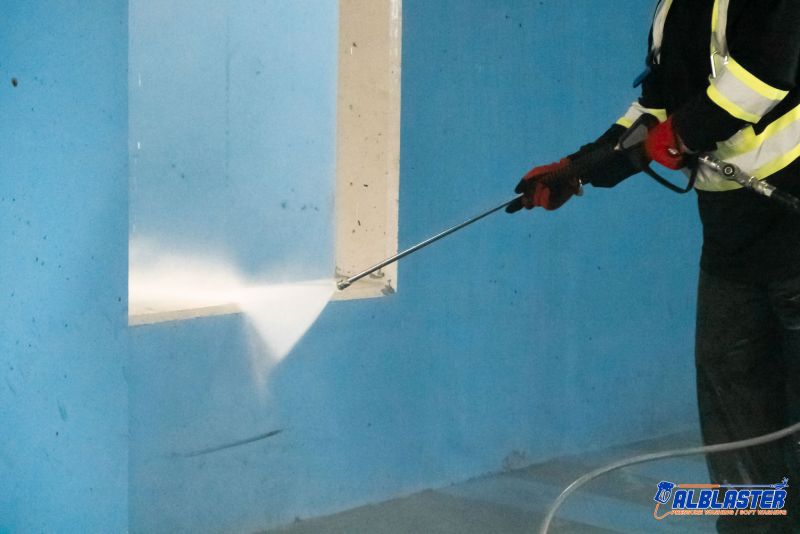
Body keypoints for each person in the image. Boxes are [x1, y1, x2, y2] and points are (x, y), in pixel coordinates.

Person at [510, 1, 800, 532]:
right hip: (732, 245)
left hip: (792, 224)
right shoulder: (675, 8)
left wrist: (679, 136)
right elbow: (657, 109)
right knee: (736, 429)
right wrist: (579, 169)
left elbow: (762, 79)